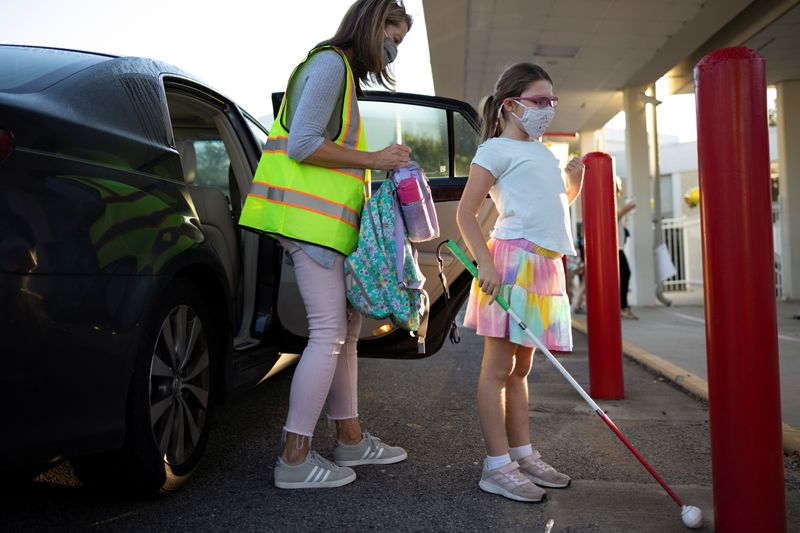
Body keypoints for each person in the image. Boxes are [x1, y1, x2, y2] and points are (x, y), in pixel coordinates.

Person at [239, 0, 413, 489]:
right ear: (373, 25)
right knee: (329, 334)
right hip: (309, 227)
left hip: (327, 230)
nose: (394, 50)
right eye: (394, 37)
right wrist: (375, 159)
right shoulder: (328, 65)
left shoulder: (339, 73)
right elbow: (302, 144)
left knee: (345, 333)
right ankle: (294, 459)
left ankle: (351, 439)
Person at [456, 63, 584, 503]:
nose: (547, 109)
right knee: (497, 368)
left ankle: (522, 453)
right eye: (538, 101)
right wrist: (485, 263)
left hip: (545, 267)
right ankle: (497, 466)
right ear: (511, 104)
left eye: (551, 101)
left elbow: (546, 208)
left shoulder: (543, 152)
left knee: (522, 369)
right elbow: (466, 213)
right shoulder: (494, 150)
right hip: (511, 263)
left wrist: (575, 186)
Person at [616, 178, 638, 320]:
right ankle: (622, 306)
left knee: (624, 274)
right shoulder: (608, 200)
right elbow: (612, 217)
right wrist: (627, 209)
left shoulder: (613, 201)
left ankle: (622, 305)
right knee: (625, 273)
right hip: (615, 248)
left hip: (619, 246)